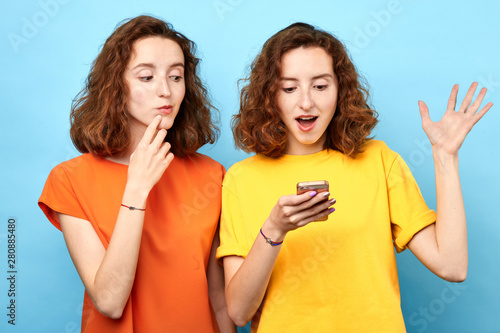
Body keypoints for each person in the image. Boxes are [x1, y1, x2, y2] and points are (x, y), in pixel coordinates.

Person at [216, 22, 493, 332]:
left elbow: (452, 266)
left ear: (340, 89)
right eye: (289, 88)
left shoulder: (378, 160)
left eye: (320, 86)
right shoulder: (241, 179)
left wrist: (446, 157)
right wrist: (274, 230)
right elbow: (239, 312)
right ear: (270, 95)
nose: (306, 102)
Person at [39, 15, 235, 332]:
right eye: (146, 77)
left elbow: (218, 297)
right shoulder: (69, 180)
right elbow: (110, 301)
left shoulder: (211, 175)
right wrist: (137, 188)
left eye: (176, 76)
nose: (166, 91)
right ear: (116, 85)